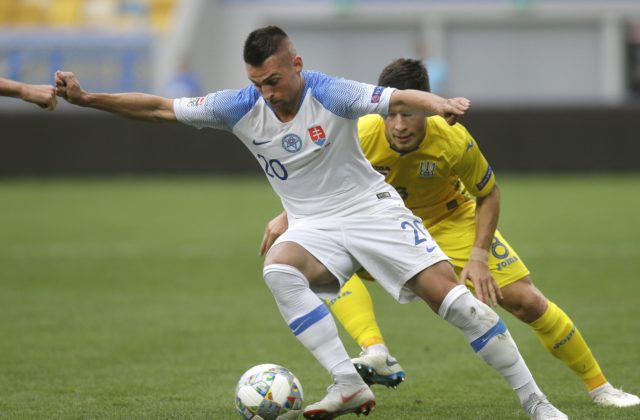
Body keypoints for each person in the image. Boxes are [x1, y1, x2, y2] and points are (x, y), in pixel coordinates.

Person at [55, 26, 566, 419]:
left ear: (296, 65)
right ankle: (348, 382)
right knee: (279, 269)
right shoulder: (239, 106)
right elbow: (161, 108)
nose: (268, 93)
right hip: (314, 226)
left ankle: (536, 403)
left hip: (372, 211)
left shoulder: (330, 92)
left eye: (274, 80)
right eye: (258, 83)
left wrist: (442, 105)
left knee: (459, 306)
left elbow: (396, 99)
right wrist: (87, 98)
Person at [261, 58, 640, 409]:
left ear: (426, 108)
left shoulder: (453, 139)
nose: (399, 126)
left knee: (526, 301)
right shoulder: (361, 133)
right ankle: (376, 351)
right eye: (392, 115)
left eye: (409, 114)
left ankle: (601, 387)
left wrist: (478, 255)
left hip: (450, 221)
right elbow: (327, 183)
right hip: (377, 223)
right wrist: (289, 216)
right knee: (326, 263)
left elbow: (488, 193)